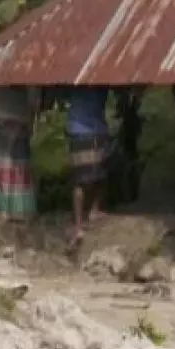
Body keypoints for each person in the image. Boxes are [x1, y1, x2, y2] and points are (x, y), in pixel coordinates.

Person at [0, 86, 37, 222]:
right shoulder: (25, 69)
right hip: (16, 119)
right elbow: (32, 99)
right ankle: (18, 211)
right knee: (16, 167)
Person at [67, 86, 111, 246]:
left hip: (80, 130)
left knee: (83, 178)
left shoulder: (75, 78)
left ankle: (81, 221)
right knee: (96, 175)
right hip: (90, 130)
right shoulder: (100, 76)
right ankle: (91, 212)